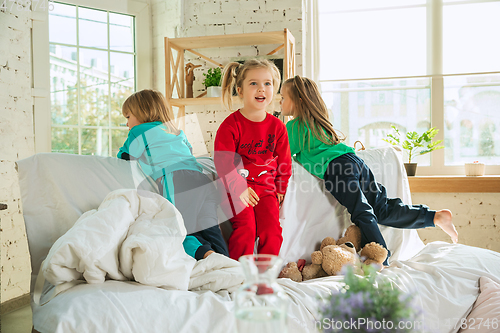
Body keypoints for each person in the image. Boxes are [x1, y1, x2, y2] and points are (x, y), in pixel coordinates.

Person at [280, 75, 458, 265]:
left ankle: (381, 259)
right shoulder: (319, 123)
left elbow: (280, 154)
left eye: (283, 97)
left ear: (298, 101)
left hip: (337, 169)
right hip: (355, 162)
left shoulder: (294, 126)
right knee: (381, 208)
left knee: (361, 211)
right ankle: (435, 216)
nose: (279, 101)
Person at [117, 89, 229, 260]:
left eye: (128, 117)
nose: (127, 124)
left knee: (178, 227)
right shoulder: (176, 131)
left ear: (142, 113)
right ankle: (226, 261)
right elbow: (189, 152)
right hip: (201, 179)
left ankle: (207, 256)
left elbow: (124, 156)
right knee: (210, 227)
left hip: (177, 179)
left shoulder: (138, 131)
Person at [214, 59, 292, 260]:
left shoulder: (278, 127)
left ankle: (265, 278)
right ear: (240, 90)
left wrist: (280, 189)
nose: (261, 89)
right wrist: (239, 187)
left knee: (272, 231)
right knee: (246, 228)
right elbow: (223, 163)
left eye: (267, 83)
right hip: (236, 190)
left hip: (266, 192)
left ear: (274, 89)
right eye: (253, 83)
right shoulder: (230, 126)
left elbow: (284, 163)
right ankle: (239, 277)